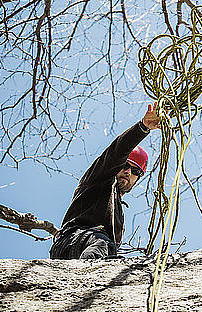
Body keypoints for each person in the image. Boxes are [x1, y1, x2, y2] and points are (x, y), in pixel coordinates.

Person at [49, 102, 161, 260]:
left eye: (135, 171)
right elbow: (116, 152)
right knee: (104, 246)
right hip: (80, 239)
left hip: (81, 248)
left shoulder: (117, 212)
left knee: (109, 250)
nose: (128, 172)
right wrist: (142, 128)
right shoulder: (101, 177)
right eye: (124, 165)